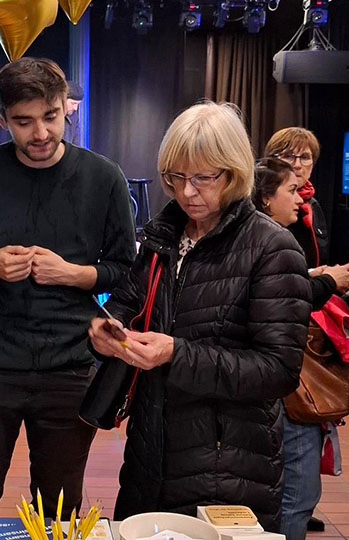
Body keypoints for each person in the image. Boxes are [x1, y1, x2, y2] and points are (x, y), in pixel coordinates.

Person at [88, 101, 311, 531]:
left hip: (229, 467)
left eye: (203, 178)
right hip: (149, 454)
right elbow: (126, 305)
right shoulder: (162, 236)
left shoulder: (272, 247)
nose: (187, 192)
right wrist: (106, 332)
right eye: (175, 178)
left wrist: (176, 353)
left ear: (235, 172)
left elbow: (278, 370)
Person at [0, 57, 136, 520]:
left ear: (68, 109)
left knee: (59, 511)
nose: (40, 133)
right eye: (24, 122)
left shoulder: (103, 178)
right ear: (2, 119)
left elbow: (126, 269)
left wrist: (75, 274)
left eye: (51, 117)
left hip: (68, 367)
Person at [253, 157, 349, 540]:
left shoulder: (257, 236)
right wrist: (326, 282)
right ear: (266, 198)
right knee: (297, 493)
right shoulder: (273, 239)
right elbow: (286, 297)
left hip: (269, 386)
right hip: (287, 387)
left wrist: (316, 276)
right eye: (292, 190)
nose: (301, 199)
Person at [264, 127, 329, 266]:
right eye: (288, 156)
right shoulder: (258, 201)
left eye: (305, 157)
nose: (298, 165)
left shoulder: (313, 205)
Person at [64, 80, 84, 145]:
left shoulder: (74, 116)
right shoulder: (51, 116)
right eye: (73, 103)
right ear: (63, 100)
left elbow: (76, 145)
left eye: (78, 104)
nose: (75, 108)